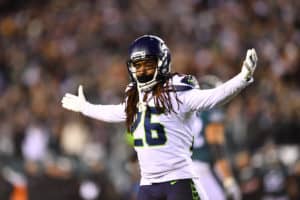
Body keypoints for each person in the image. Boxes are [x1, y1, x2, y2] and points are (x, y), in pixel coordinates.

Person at [61, 35, 258, 200]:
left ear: (162, 62)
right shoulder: (135, 97)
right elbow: (114, 112)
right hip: (148, 184)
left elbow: (212, 97)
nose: (142, 71)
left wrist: (242, 78)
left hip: (179, 180)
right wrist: (86, 108)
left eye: (147, 65)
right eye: (137, 66)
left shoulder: (177, 91)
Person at [191, 75, 241, 200]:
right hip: (203, 170)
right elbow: (217, 149)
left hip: (183, 169)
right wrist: (229, 180)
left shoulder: (187, 111)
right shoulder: (212, 112)